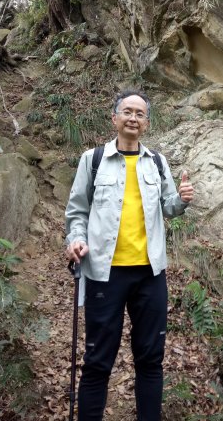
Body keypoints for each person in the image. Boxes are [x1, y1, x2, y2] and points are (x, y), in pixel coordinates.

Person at [65, 89, 194, 421]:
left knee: (150, 360)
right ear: (115, 118)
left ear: (146, 123)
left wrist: (182, 199)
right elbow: (77, 212)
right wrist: (76, 240)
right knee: (97, 362)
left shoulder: (157, 162)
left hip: (150, 275)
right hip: (103, 274)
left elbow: (169, 207)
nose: (133, 118)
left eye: (139, 113)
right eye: (127, 112)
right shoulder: (92, 160)